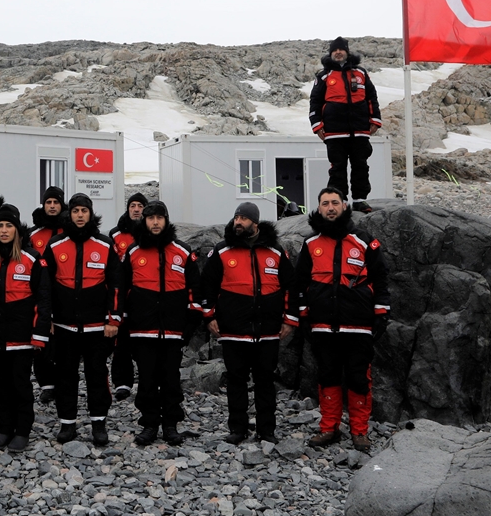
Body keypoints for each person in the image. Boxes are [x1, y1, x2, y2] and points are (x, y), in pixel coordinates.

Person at [293, 187, 390, 451]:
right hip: (323, 326)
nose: (330, 207)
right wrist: (303, 315)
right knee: (328, 377)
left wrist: (381, 315)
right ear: (319, 208)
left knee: (359, 379)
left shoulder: (365, 240)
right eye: (325, 203)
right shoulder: (310, 244)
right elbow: (299, 283)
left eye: (335, 202)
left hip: (358, 326)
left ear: (345, 206)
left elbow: (380, 279)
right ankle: (329, 429)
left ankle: (360, 432)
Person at [203, 202, 296, 445]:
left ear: (255, 222)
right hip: (234, 331)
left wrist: (289, 320)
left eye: (243, 218)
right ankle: (238, 429)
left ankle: (267, 431)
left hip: (268, 332)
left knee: (265, 381)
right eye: (236, 218)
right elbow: (207, 286)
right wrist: (209, 315)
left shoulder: (275, 252)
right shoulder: (221, 251)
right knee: (236, 381)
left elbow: (291, 288)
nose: (238, 222)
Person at [117, 201, 206, 446]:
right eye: (150, 218)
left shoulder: (183, 251)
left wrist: (189, 326)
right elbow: (122, 291)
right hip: (142, 331)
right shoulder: (133, 252)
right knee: (146, 380)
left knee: (170, 380)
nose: (155, 222)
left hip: (173, 331)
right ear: (143, 221)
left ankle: (170, 425)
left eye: (159, 218)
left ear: (166, 220)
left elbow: (194, 291)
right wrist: (124, 323)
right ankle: (149, 425)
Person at [43, 193, 121, 447]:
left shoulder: (105, 244)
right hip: (64, 325)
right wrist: (49, 319)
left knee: (97, 375)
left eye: (83, 211)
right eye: (75, 210)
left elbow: (116, 285)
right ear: (69, 213)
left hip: (97, 326)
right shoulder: (55, 245)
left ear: (90, 214)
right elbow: (46, 286)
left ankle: (99, 422)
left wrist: (113, 320)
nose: (79, 215)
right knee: (65, 375)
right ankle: (68, 423)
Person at [0, 204, 51, 452]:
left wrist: (39, 334)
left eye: (9, 225)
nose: (4, 230)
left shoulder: (33, 258)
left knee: (20, 384)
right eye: (0, 225)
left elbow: (43, 298)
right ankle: (4, 428)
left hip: (21, 337)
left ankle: (22, 431)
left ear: (18, 229)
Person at [308, 37, 383, 213]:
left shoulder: (361, 73)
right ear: (331, 53)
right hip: (334, 132)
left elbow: (372, 98)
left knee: (361, 165)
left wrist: (375, 120)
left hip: (360, 130)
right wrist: (317, 125)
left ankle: (360, 200)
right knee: (337, 168)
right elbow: (315, 102)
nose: (338, 52)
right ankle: (338, 202)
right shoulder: (323, 75)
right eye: (335, 50)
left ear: (347, 52)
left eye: (341, 50)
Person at [29, 186, 66, 404]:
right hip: (38, 293)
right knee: (40, 340)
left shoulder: (69, 231)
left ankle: (62, 382)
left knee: (62, 343)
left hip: (64, 293)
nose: (52, 206)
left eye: (56, 202)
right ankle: (46, 385)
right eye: (48, 203)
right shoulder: (34, 234)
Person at [108, 192, 146, 401]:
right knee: (120, 340)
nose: (136, 209)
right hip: (121, 294)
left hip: (143, 296)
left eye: (140, 205)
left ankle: (147, 381)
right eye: (133, 205)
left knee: (142, 341)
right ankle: (122, 383)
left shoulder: (150, 235)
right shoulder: (115, 235)